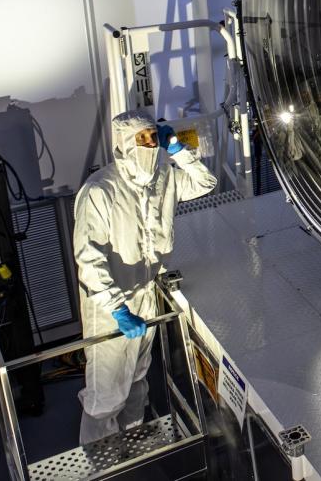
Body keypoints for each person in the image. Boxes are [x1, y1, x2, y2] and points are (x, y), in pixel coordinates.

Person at [73, 109, 217, 444]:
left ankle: (133, 442)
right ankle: (99, 458)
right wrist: (117, 308)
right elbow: (89, 258)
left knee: (138, 375)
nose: (151, 144)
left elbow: (204, 182)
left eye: (154, 136)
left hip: (147, 292)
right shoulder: (100, 190)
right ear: (123, 143)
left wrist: (178, 149)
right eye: (143, 138)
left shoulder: (164, 176)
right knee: (106, 393)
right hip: (110, 302)